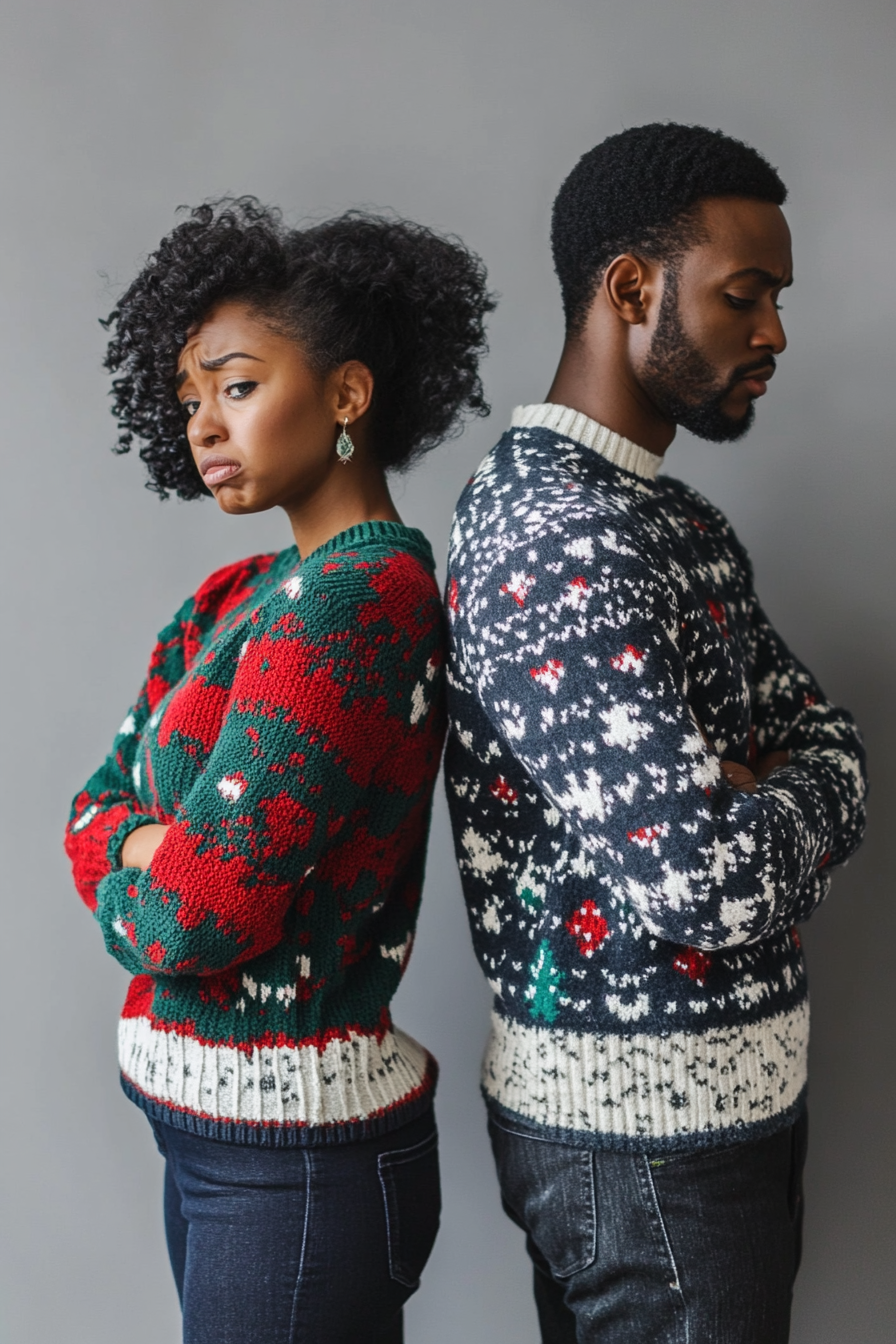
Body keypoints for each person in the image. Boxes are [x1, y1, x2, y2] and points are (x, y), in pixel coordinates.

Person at [444, 124, 867, 1343]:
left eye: (775, 299)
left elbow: (827, 740)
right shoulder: (554, 532)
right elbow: (702, 878)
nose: (773, 333)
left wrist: (783, 786)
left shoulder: (671, 521)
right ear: (630, 289)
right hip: (640, 1153)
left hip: (714, 1123)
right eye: (744, 296)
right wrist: (780, 798)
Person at [65, 197, 493, 1344]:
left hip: (292, 1167)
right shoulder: (232, 602)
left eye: (239, 386)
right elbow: (91, 803)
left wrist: (150, 848)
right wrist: (141, 844)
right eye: (192, 399)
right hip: (210, 1133)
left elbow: (193, 918)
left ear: (346, 395)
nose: (207, 425)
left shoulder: (363, 599)